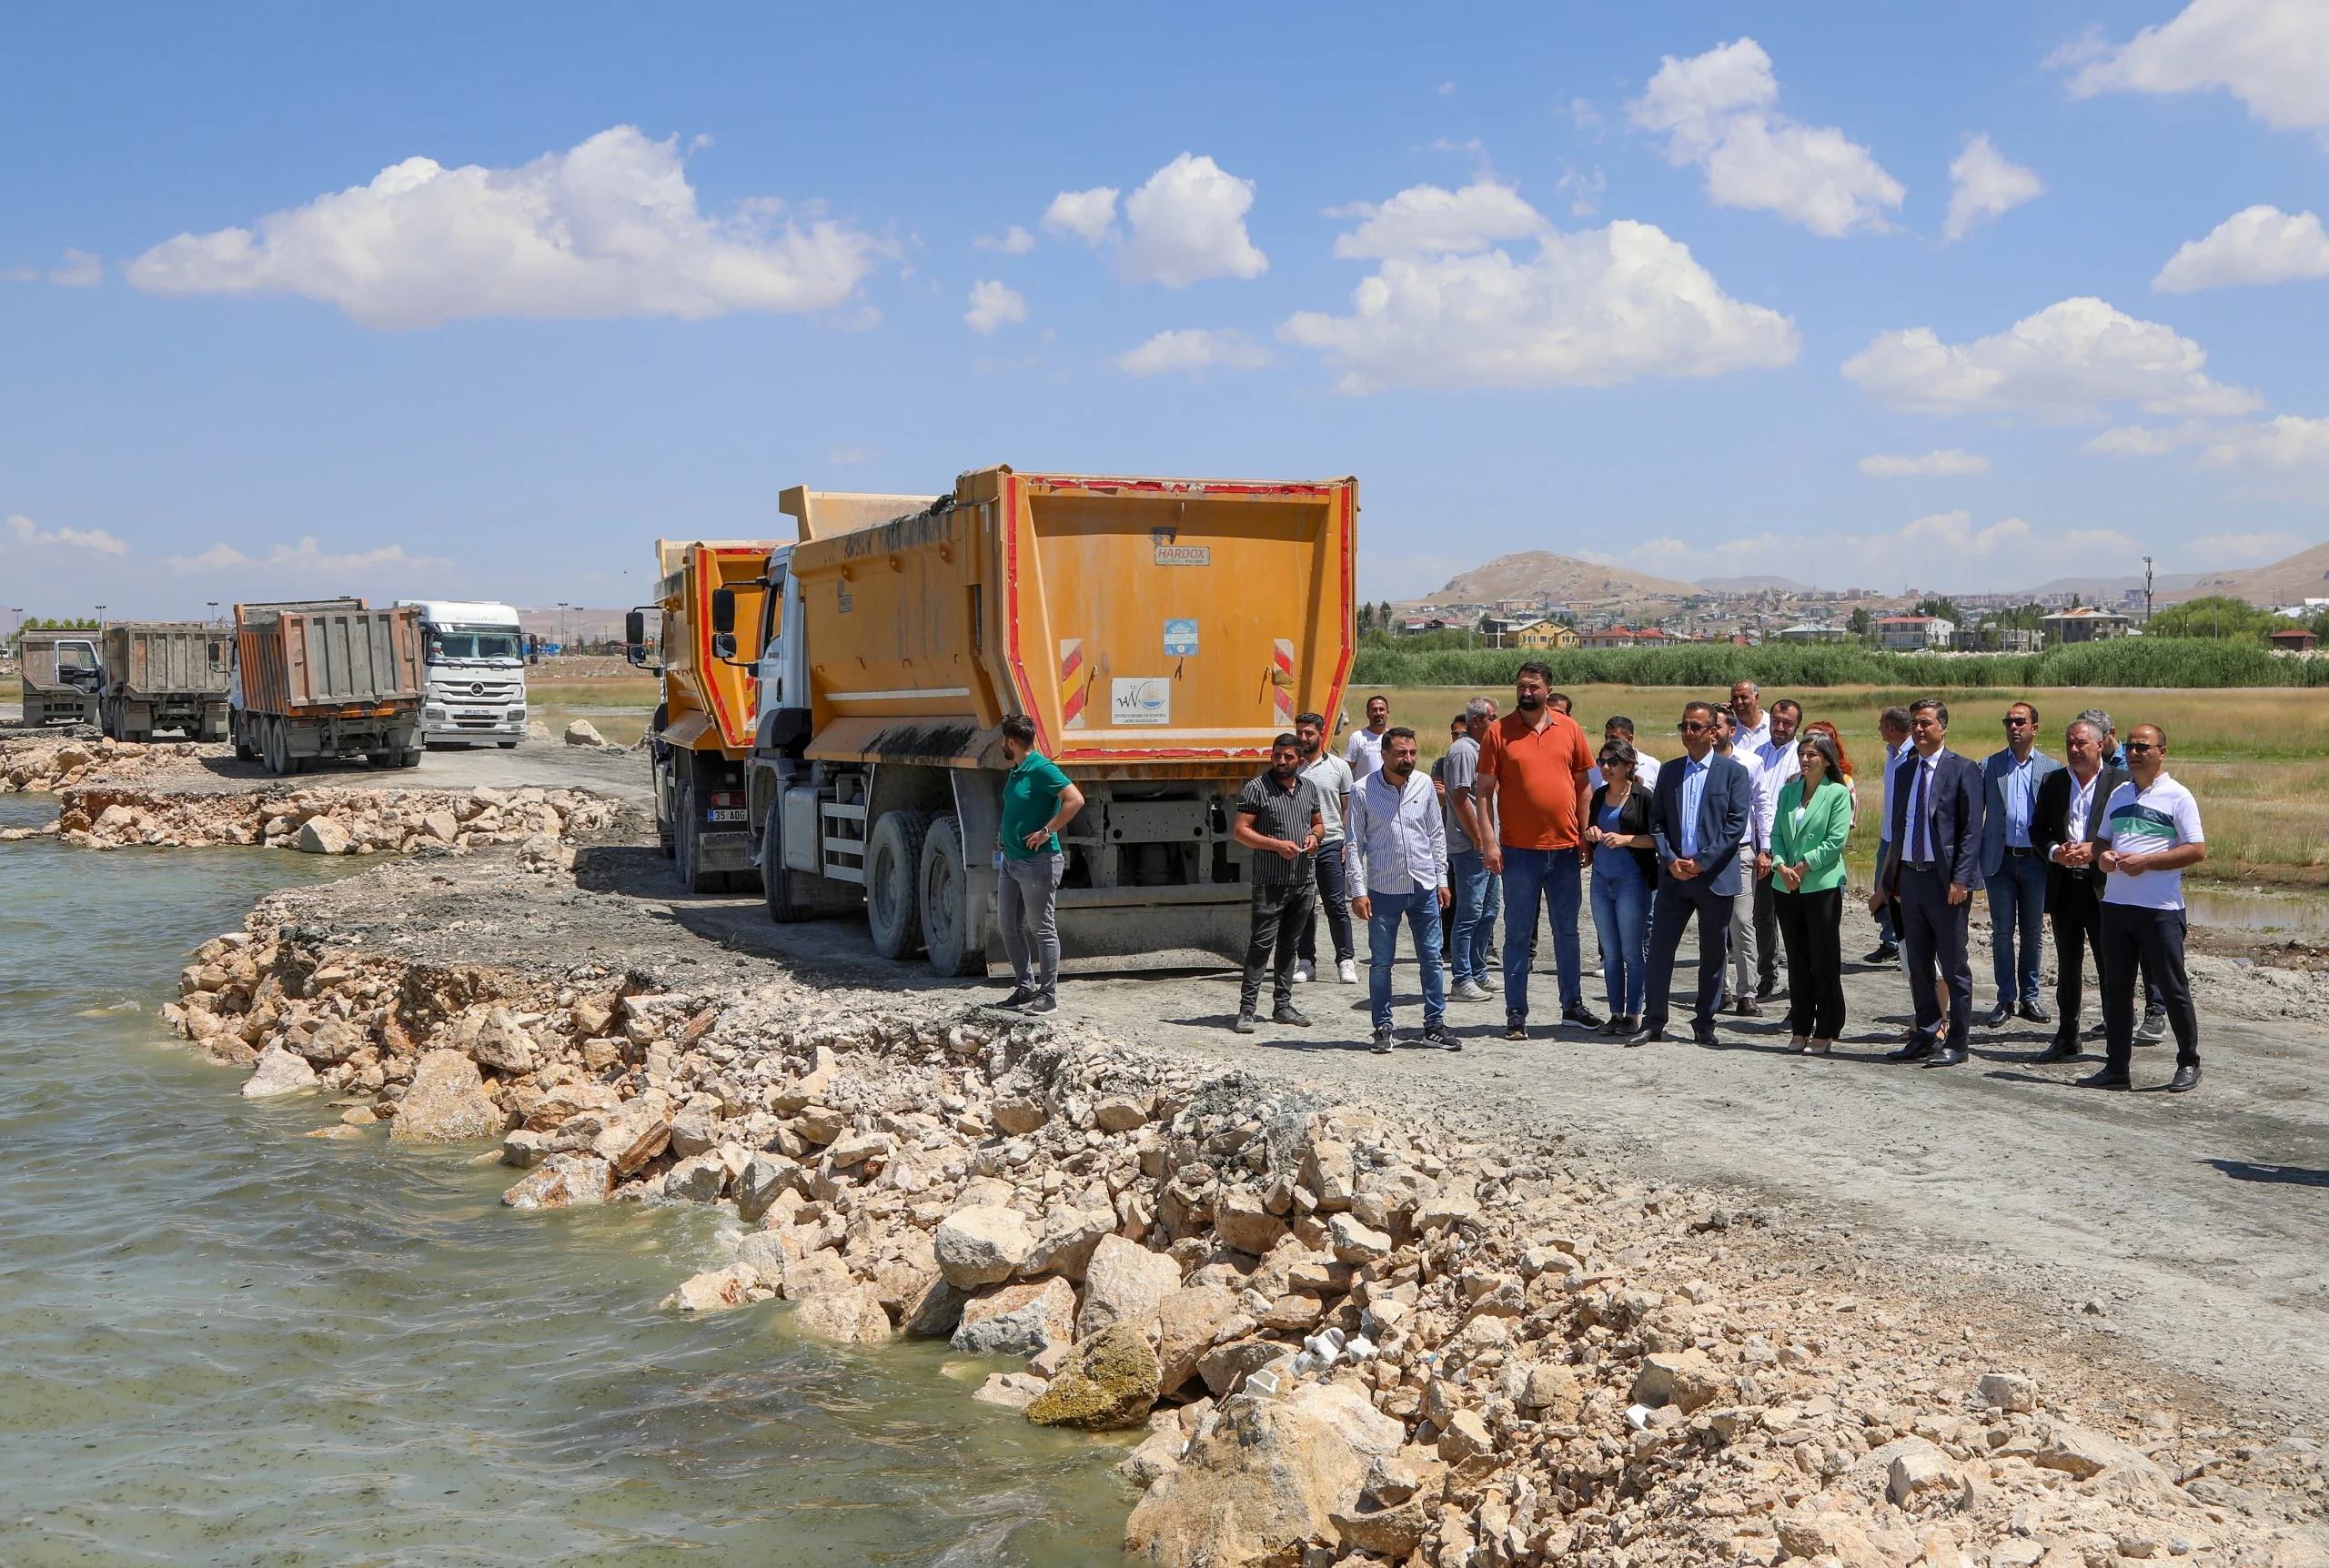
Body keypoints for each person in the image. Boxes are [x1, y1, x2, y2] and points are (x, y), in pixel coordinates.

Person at [2081, 726, 2207, 1093]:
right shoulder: (2119, 793)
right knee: (2116, 988)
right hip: (2117, 906)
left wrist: (2147, 862)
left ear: (2161, 752)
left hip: (2160, 909)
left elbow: (2197, 849)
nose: (2134, 752)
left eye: (2142, 746)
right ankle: (2116, 1068)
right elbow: (2102, 840)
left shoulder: (2178, 796)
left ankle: (2188, 1062)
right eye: (2131, 746)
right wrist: (2101, 856)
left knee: (2172, 987)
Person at [1478, 661, 1600, 1039]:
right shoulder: (1498, 733)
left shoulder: (1570, 729)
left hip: (1564, 850)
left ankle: (1572, 1005)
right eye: (1520, 686)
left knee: (1567, 932)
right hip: (1518, 852)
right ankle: (1516, 1011)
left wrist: (1584, 834)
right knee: (1516, 934)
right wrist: (1489, 842)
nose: (1526, 692)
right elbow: (1482, 794)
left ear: (1548, 689)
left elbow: (1584, 786)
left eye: (1533, 686)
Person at [1870, 699, 1984, 1066]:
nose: (1919, 730)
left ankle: (1958, 1042)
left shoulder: (1963, 769)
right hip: (1911, 881)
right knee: (1917, 964)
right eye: (1915, 724)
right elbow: (1900, 829)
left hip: (1945, 883)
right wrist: (1891, 880)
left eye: (1926, 724)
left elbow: (1970, 831)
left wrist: (1961, 880)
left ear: (1943, 727)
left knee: (1953, 966)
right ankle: (1926, 1032)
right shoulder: (1905, 771)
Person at [1633, 702, 1751, 1046]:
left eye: (1695, 727)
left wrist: (1701, 862)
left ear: (1713, 731)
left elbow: (1735, 825)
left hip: (1713, 877)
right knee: (1659, 950)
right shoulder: (1670, 772)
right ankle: (1654, 1021)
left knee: (1713, 953)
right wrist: (1670, 858)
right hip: (1674, 877)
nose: (1688, 732)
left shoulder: (1732, 772)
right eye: (1683, 726)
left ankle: (1704, 1022)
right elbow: (1656, 821)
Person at [1346, 727, 1456, 1053]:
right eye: (1400, 754)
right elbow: (1354, 844)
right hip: (1383, 889)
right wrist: (1358, 890)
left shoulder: (1424, 784)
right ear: (1384, 755)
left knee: (1432, 959)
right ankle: (1382, 1027)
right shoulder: (1362, 790)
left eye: (1412, 753)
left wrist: (1442, 880)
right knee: (1381, 963)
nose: (1407, 759)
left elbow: (1436, 834)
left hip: (1423, 886)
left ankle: (1434, 1025)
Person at [2035, 716, 2126, 1061]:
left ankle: (2118, 1040)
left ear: (2100, 745)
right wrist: (2056, 852)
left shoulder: (2120, 783)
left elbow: (2129, 832)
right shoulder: (2055, 781)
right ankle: (2067, 1036)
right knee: (2068, 966)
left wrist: (2095, 850)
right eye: (2069, 743)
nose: (2073, 750)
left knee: (2111, 966)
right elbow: (2038, 829)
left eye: (2081, 744)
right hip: (2065, 889)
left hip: (2104, 889)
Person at [2076, 707, 2168, 1044]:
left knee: (2150, 951)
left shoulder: (2129, 774)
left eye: (2099, 740)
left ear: (2107, 737)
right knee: (2119, 954)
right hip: (2112, 877)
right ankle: (2119, 1018)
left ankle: (2155, 1011)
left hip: (2151, 884)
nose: (2133, 753)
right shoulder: (2094, 772)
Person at [1230, 734, 1324, 1033]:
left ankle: (1283, 1005)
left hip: (1303, 880)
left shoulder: (1309, 787)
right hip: (1270, 882)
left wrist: (1315, 837)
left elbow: (1319, 824)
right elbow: (1241, 832)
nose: (1281, 761)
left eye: (1288, 757)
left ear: (1300, 759)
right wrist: (1274, 845)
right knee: (1261, 945)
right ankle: (1247, 1010)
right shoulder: (1257, 789)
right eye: (1277, 756)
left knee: (1289, 945)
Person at [1977, 701, 2062, 1028]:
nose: (2013, 727)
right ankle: (2005, 998)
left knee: (2032, 933)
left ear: (2034, 728)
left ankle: (2030, 997)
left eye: (2020, 722)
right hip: (1999, 861)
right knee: (2001, 932)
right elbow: (1975, 815)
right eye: (2008, 721)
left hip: (2036, 862)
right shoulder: (1990, 765)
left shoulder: (2051, 768)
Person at [1770, 729, 1853, 1054]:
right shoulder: (1789, 792)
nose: (1805, 760)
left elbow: (1835, 842)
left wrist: (1803, 868)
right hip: (1785, 884)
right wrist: (1781, 865)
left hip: (1821, 884)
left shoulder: (1837, 792)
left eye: (1812, 755)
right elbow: (1776, 833)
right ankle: (1801, 1025)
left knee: (1823, 958)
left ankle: (1828, 1025)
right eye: (1802, 754)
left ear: (1827, 759)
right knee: (1797, 959)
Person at [996, 714, 1085, 1015]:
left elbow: (1075, 799)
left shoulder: (1042, 768)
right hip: (1011, 860)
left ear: (1011, 742)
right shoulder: (1017, 769)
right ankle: (1025, 987)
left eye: (1002, 740)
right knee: (1008, 924)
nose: (1001, 745)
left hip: (1038, 862)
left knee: (1042, 928)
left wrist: (1047, 831)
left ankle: (1048, 995)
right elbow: (1017, 808)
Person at [1583, 739, 1656, 1033]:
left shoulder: (1643, 797)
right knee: (1610, 953)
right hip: (1601, 880)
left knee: (1632, 951)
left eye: (1613, 762)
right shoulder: (1599, 796)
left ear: (1629, 765)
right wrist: (1591, 832)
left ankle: (1634, 1014)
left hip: (1632, 881)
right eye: (1602, 761)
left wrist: (1627, 839)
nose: (1606, 767)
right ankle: (1615, 1013)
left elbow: (1658, 839)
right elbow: (1590, 829)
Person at [1710, 707, 1772, 1017]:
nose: (1712, 732)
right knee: (1713, 924)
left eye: (1717, 726)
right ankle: (1718, 990)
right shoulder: (1700, 764)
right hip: (1707, 855)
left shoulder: (1751, 763)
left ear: (1731, 731)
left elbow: (1762, 805)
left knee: (1742, 923)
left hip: (1741, 850)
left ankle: (1747, 992)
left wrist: (1767, 848)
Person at [1292, 711, 1357, 986]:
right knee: (1303, 906)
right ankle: (1306, 962)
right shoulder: (1291, 768)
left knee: (1335, 905)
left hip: (1330, 843)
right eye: (1300, 733)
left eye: (1309, 733)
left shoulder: (1340, 768)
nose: (1304, 738)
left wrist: (1347, 842)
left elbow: (1348, 808)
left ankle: (1345, 961)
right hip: (1300, 847)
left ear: (1321, 734)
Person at [1441, 698, 1500, 1002]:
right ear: (1476, 721)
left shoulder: (1481, 749)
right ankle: (1461, 979)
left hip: (1489, 847)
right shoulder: (1464, 751)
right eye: (1493, 717)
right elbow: (1461, 797)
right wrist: (1480, 838)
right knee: (1469, 913)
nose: (1497, 722)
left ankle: (1478, 971)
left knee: (1488, 911)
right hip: (1472, 848)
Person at [1749, 699, 1803, 1001]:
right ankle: (1767, 977)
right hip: (1758, 849)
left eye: (1787, 723)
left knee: (1791, 920)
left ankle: (1798, 983)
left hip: (1789, 852)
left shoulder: (1801, 758)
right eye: (1777, 721)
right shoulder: (1759, 754)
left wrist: (1773, 850)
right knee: (1762, 917)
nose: (1780, 727)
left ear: (1796, 726)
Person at [1863, 708, 1914, 964]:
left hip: (1904, 839)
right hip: (1887, 835)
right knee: (1880, 889)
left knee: (1898, 894)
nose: (1879, 728)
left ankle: (1906, 947)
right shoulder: (1891, 753)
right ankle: (1891, 941)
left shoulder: (1913, 754)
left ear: (1892, 728)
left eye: (1881, 724)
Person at [1587, 716, 1660, 790]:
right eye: (1606, 737)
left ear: (1629, 739)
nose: (1607, 742)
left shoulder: (1653, 766)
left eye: (1613, 738)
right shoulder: (1595, 770)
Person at [1346, 694, 1391, 782]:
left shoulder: (1393, 738)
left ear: (1387, 713)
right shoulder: (1357, 737)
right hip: (1364, 793)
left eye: (1381, 709)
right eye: (1374, 710)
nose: (1378, 713)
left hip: (1388, 793)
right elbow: (1346, 769)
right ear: (1368, 714)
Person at [1729, 679, 1770, 759]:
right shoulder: (1728, 728)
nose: (1739, 702)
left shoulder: (1772, 724)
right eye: (1735, 698)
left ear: (1757, 698)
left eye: (1743, 697)